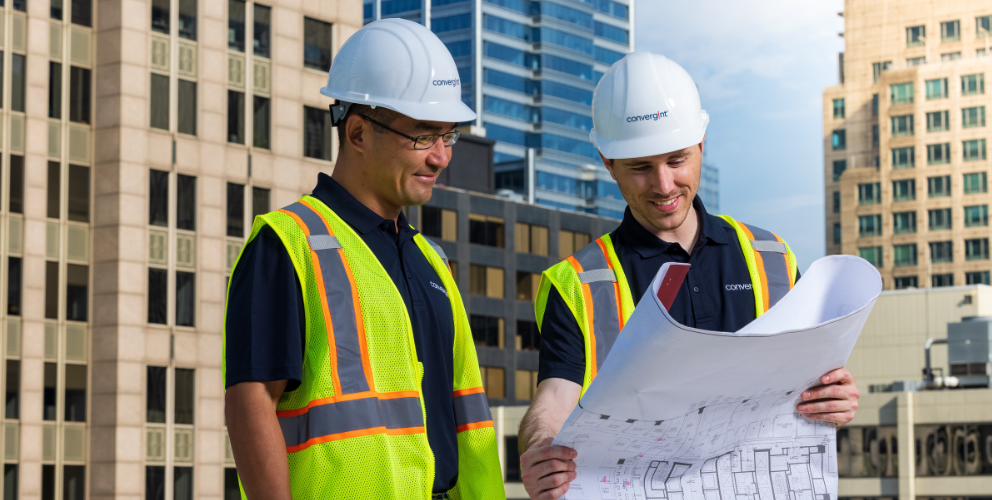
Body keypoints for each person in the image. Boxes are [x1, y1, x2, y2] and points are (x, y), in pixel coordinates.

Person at [517, 52, 861, 500]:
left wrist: (835, 397)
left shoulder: (772, 258)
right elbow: (555, 398)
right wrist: (542, 446)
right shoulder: (579, 282)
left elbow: (810, 381)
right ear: (607, 162)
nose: (663, 185)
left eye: (676, 160)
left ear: (701, 143)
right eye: (640, 167)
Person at [222, 19, 505, 499]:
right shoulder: (287, 245)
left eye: (448, 135)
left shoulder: (430, 261)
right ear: (356, 132)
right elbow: (251, 403)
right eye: (423, 136)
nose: (441, 157)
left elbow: (463, 418)